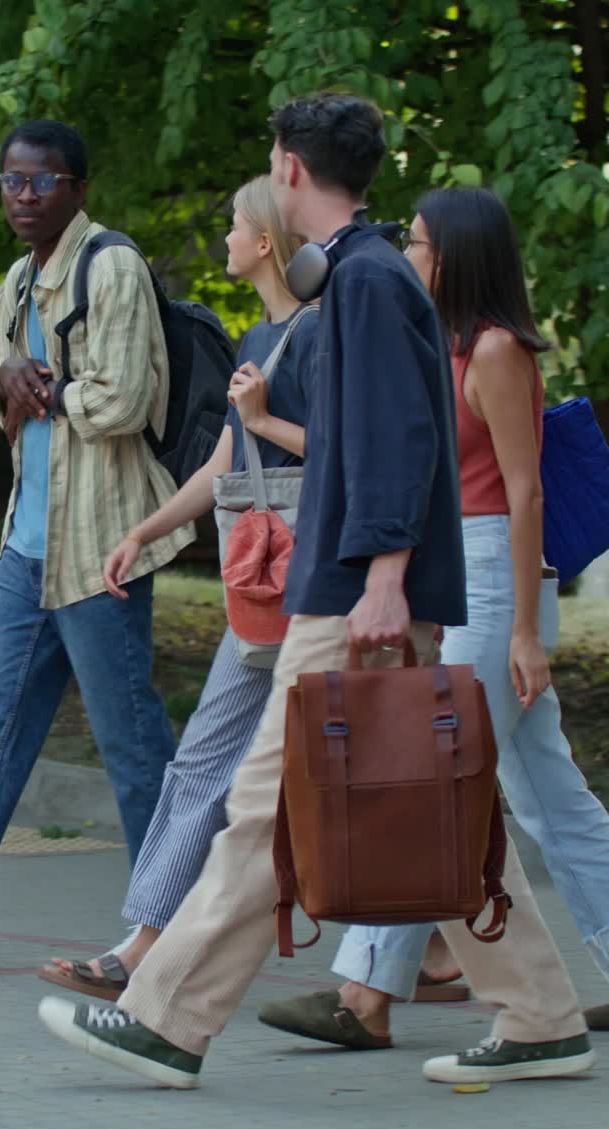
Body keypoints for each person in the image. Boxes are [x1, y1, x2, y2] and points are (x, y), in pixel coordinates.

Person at [36, 92, 588, 1092]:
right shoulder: (371, 275)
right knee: (443, 798)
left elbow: (392, 440)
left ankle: (166, 1018)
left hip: (354, 589)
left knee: (263, 807)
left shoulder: (371, 284)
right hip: (360, 581)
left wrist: (381, 576)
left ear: (290, 170)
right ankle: (545, 1013)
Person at [259, 186, 607, 1079]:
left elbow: (523, 491)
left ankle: (366, 996)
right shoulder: (439, 344)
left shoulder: (493, 350)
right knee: (545, 797)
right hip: (464, 568)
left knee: (429, 776)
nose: (405, 253)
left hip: (497, 576)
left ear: (453, 254)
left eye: (415, 241)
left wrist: (528, 630)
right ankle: (370, 993)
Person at [0, 120, 191, 970]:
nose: (22, 197)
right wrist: (8, 385)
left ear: (78, 188)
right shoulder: (18, 279)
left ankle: (174, 924)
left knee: (131, 740)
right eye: (10, 181)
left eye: (41, 182)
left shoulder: (113, 267)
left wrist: (43, 387)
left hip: (100, 547)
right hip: (28, 546)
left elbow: (126, 399)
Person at [37, 174, 319, 998]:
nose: (224, 239)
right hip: (260, 588)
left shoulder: (325, 335)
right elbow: (227, 463)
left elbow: (348, 452)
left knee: (340, 772)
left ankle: (429, 948)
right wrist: (145, 530)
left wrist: (265, 420)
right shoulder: (259, 339)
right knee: (199, 764)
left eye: (234, 227)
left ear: (265, 242)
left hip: (317, 588)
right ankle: (143, 946)